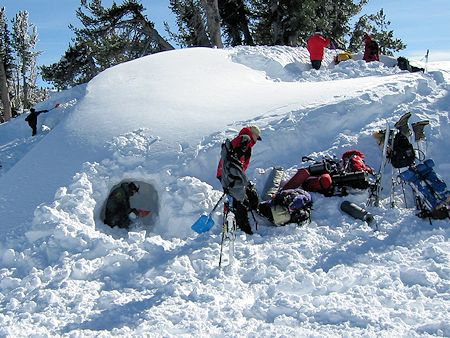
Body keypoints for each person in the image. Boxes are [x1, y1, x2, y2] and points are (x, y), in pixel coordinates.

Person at [216, 126, 262, 235]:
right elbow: (234, 161)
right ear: (253, 134)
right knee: (239, 200)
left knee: (247, 195)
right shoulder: (245, 139)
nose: (257, 140)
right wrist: (236, 179)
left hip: (228, 174)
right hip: (230, 175)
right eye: (257, 137)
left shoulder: (243, 140)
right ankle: (244, 229)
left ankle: (234, 214)